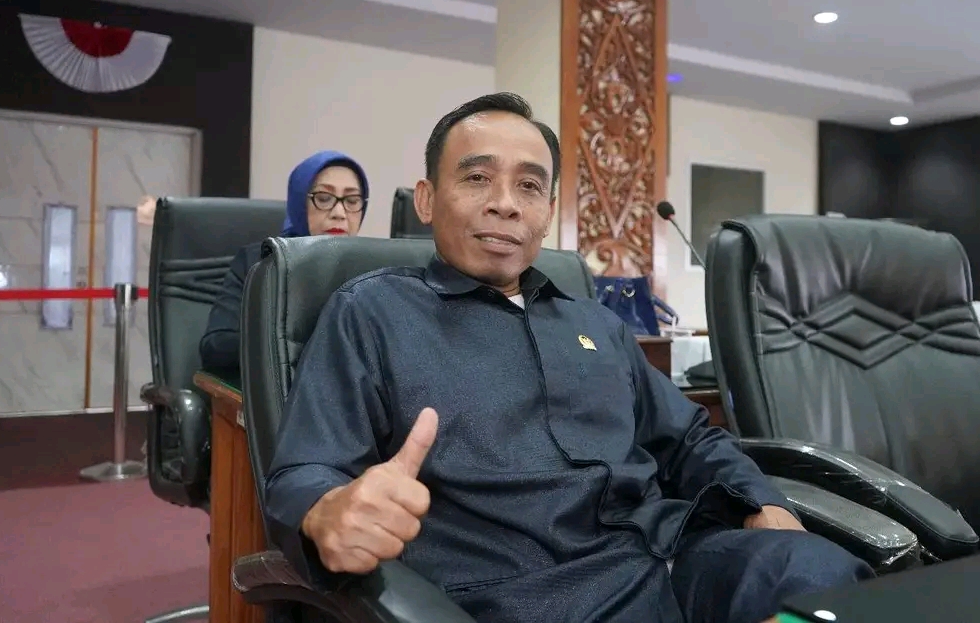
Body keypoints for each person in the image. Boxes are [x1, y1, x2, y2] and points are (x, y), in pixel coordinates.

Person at [264, 94, 872, 623]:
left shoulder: (594, 323)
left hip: (668, 561)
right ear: (427, 198)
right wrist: (329, 510)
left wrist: (760, 499)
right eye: (477, 178)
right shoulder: (372, 313)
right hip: (520, 596)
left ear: (548, 210)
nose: (506, 204)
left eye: (529, 186)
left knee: (816, 576)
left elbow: (689, 439)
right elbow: (305, 469)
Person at [198, 151, 369, 378]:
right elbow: (215, 347)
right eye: (324, 198)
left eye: (352, 201)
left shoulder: (371, 272)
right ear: (299, 203)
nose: (340, 213)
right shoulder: (260, 263)